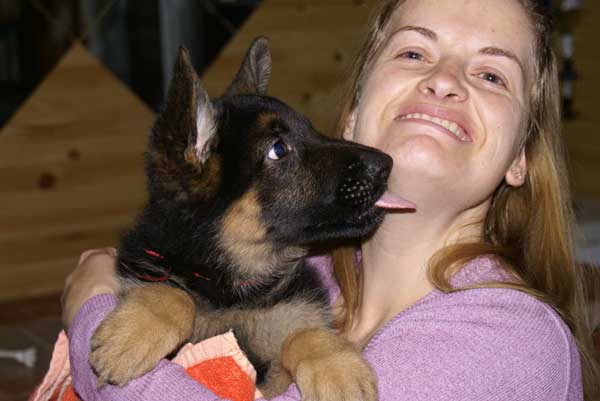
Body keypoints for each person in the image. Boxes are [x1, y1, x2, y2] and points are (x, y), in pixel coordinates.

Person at [61, 0, 600, 400]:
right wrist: (159, 302)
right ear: (351, 115)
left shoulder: (508, 338)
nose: (444, 81)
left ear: (520, 157)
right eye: (415, 51)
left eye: (491, 74)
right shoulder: (301, 270)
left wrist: (90, 307)